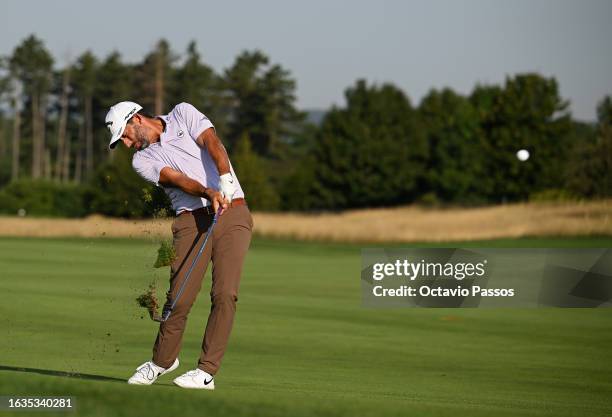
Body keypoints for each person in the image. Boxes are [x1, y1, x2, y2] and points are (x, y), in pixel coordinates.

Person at [105, 101, 253, 390]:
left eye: (125, 135)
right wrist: (208, 191)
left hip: (232, 212)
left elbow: (212, 142)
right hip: (190, 221)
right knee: (179, 298)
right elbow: (178, 179)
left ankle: (206, 371)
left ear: (136, 120)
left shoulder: (183, 113)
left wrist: (224, 179)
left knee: (225, 293)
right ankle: (162, 361)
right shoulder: (141, 161)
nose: (126, 144)